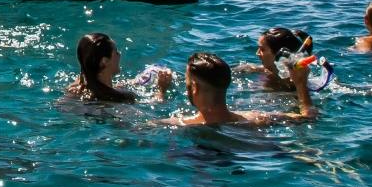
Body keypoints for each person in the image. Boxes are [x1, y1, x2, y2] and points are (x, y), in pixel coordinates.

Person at [174, 52, 316, 127]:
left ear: (194, 88)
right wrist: (301, 84)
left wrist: (160, 93)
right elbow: (309, 118)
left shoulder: (180, 124)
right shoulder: (256, 119)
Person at [66, 32, 174, 103]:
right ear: (105, 62)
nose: (119, 55)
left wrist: (136, 81)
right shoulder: (123, 99)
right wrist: (162, 90)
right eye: (116, 52)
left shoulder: (74, 90)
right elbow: (154, 110)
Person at [242, 26, 314, 91]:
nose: (257, 53)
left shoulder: (294, 86)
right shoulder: (263, 70)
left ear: (280, 55)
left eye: (262, 49)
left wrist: (301, 86)